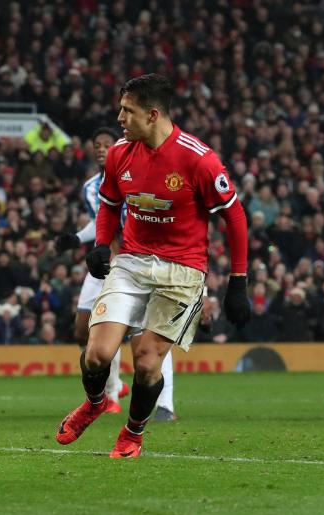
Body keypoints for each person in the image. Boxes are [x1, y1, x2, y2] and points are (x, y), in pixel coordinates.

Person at [55, 74, 249, 458]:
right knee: (96, 354)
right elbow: (109, 204)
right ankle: (95, 403)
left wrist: (238, 282)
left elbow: (236, 217)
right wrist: (100, 245)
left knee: (146, 362)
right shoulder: (120, 155)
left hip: (182, 271)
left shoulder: (199, 160)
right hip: (131, 263)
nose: (120, 118)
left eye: (128, 111)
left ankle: (132, 433)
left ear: (153, 114)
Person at [56, 127, 177, 420]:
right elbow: (102, 219)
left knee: (147, 335)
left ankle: (164, 404)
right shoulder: (89, 187)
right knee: (83, 329)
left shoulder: (136, 173)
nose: (100, 149)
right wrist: (78, 239)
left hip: (138, 260)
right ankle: (114, 387)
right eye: (96, 145)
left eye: (107, 144)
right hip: (106, 262)